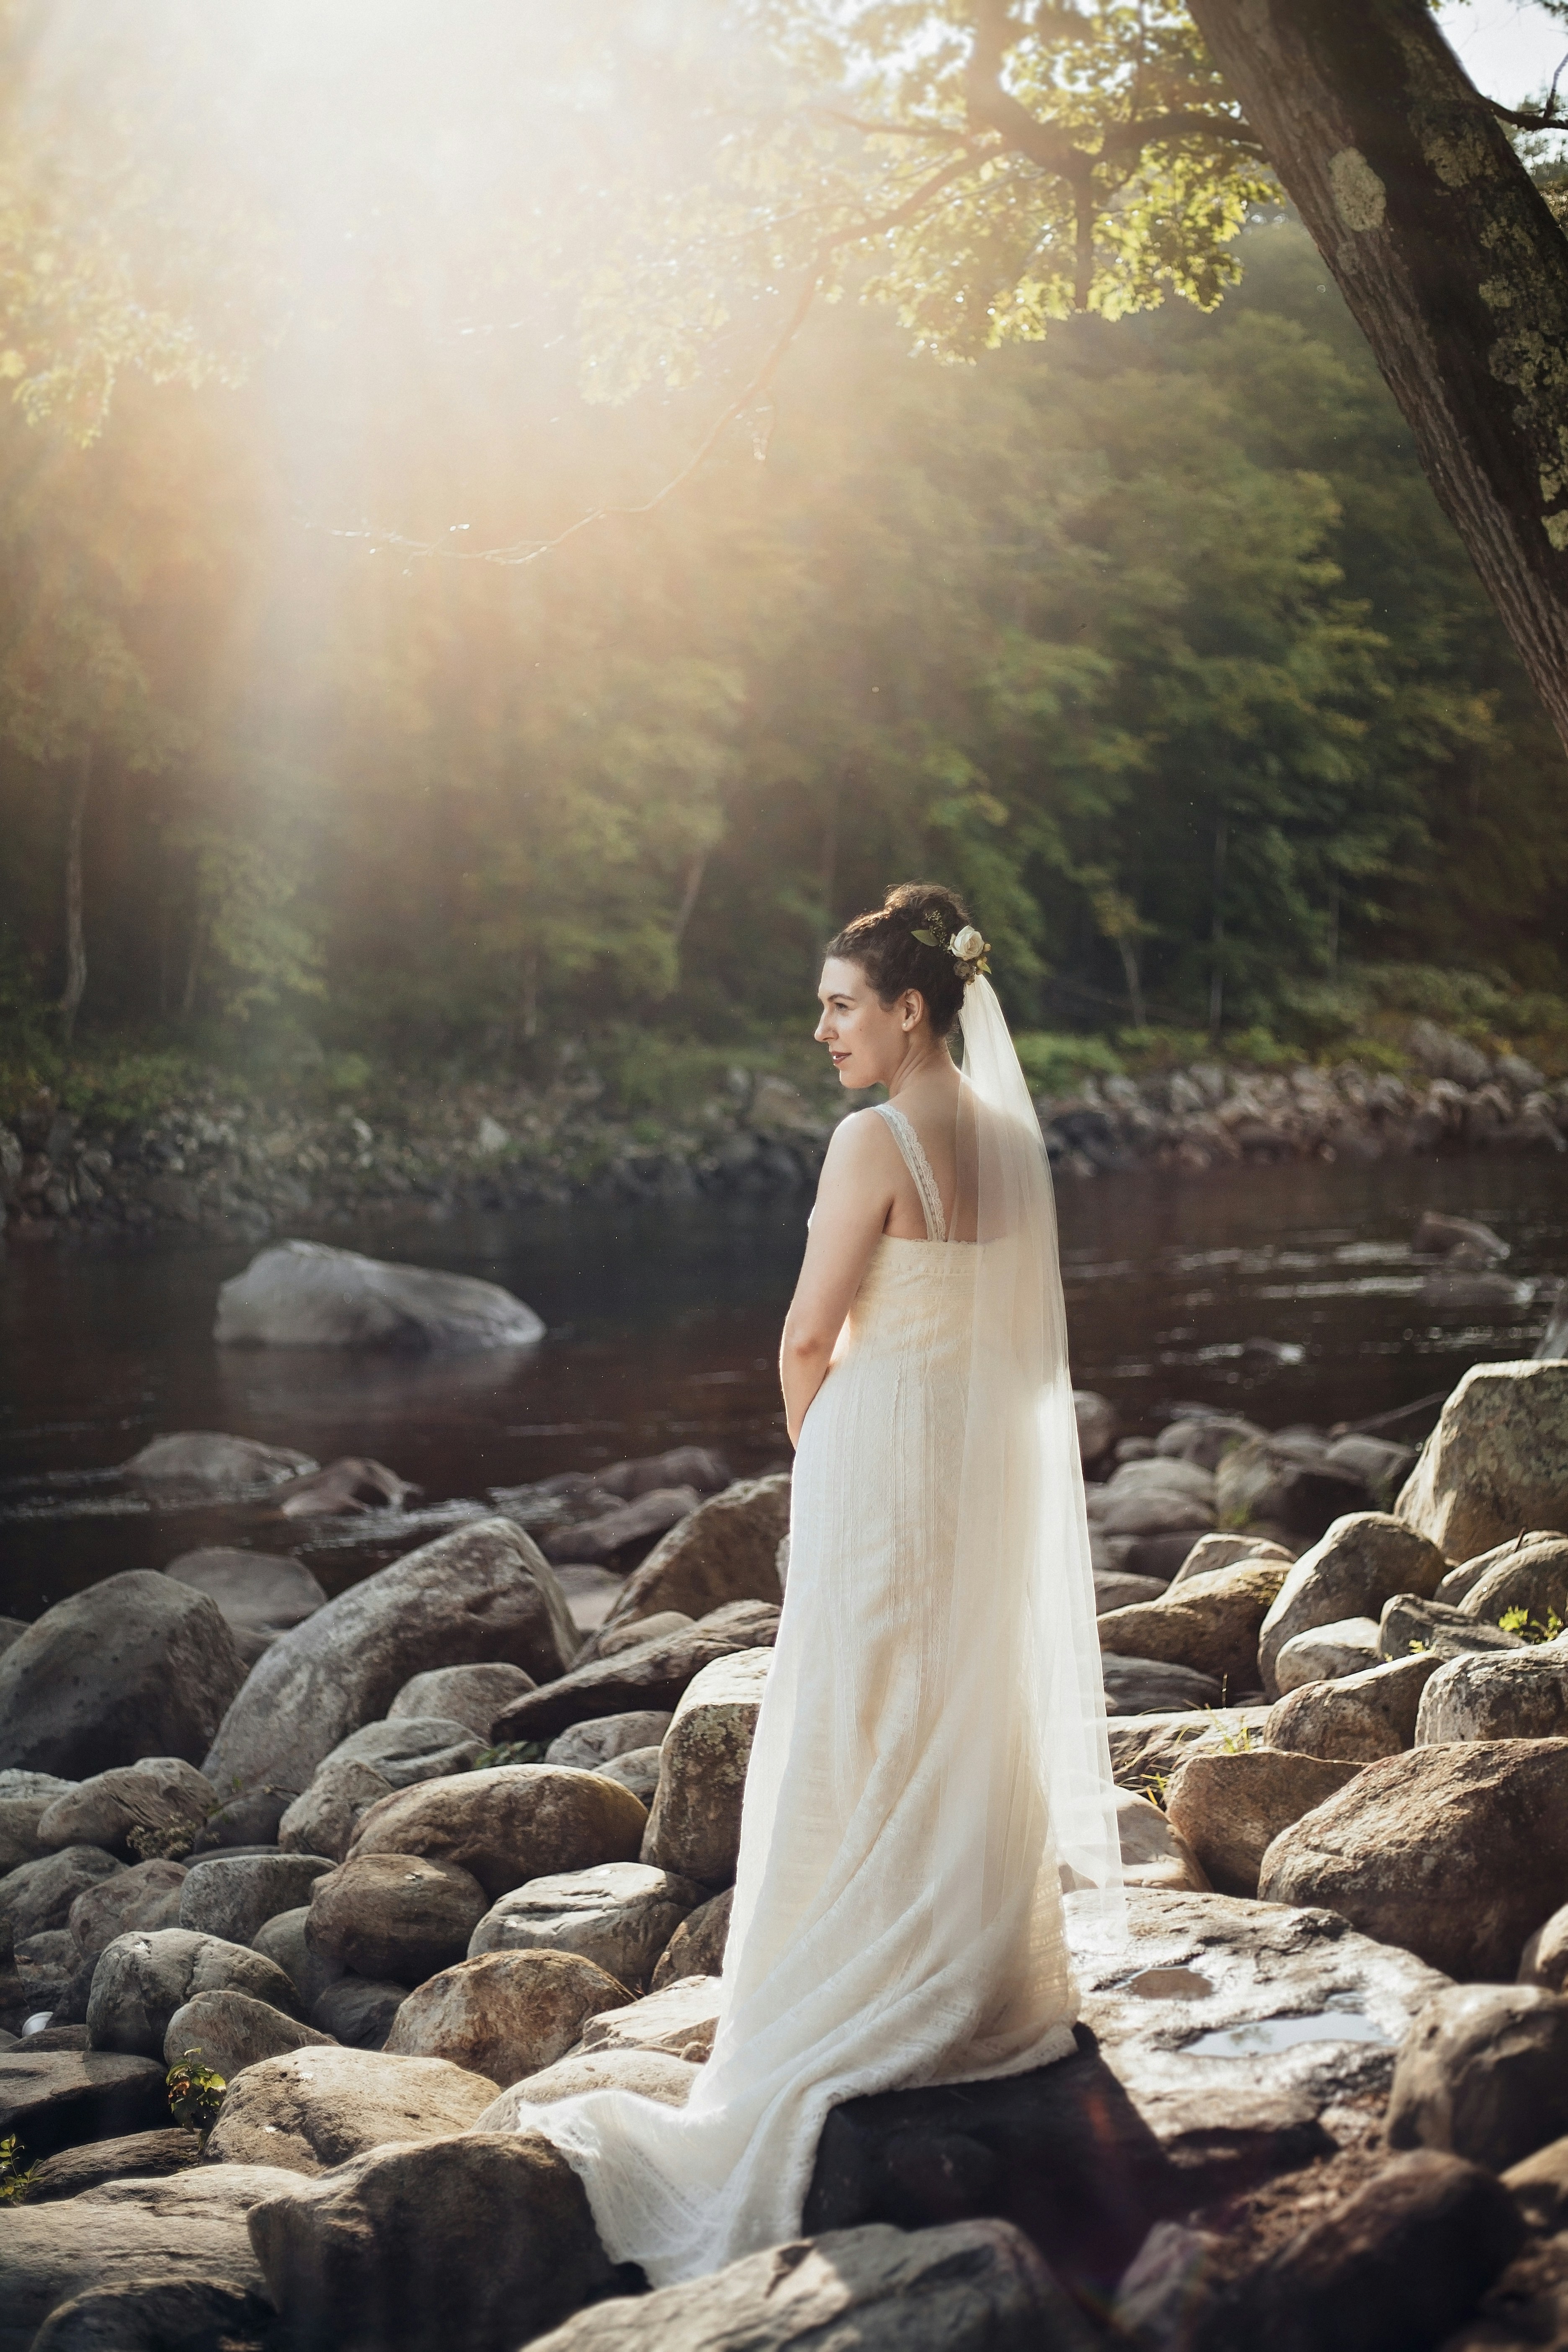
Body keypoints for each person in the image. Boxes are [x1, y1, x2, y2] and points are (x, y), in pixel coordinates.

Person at [530, 880, 1122, 2285]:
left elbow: (807, 1338)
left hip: (880, 1453)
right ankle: (974, 1982)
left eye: (842, 1005)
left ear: (911, 1009)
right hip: (983, 1463)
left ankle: (845, 1991)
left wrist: (833, 1449)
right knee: (961, 1703)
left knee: (857, 1709)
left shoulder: (873, 1142)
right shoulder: (1011, 1144)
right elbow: (1028, 1356)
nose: (823, 1031)